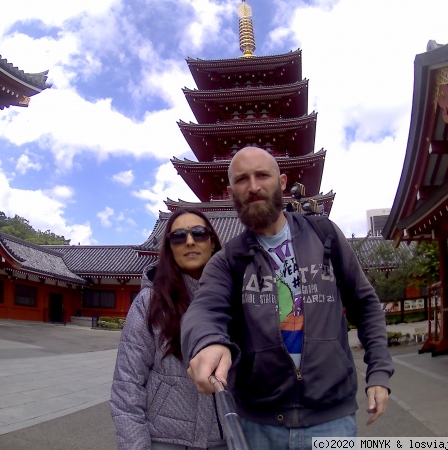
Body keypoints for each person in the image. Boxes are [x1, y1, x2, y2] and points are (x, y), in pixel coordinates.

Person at [181, 147, 394, 450]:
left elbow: (366, 303)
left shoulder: (325, 236)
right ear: (230, 192)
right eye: (242, 179)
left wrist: (380, 372)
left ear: (281, 182)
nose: (253, 186)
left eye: (262, 175)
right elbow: (203, 309)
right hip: (258, 425)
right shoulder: (228, 260)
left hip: (331, 420)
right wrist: (207, 341)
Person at [110, 208, 227, 450]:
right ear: (169, 248)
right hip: (165, 439)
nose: (190, 241)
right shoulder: (149, 303)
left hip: (225, 439)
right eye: (178, 236)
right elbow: (127, 385)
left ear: (213, 242)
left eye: (199, 233)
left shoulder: (234, 299)